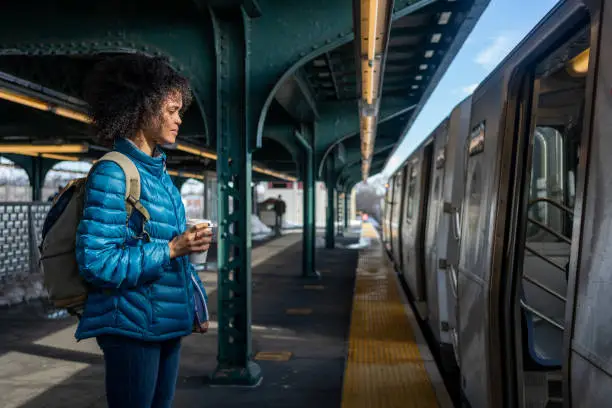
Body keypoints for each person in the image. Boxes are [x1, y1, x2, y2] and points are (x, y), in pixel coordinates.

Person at [75, 54, 212, 408]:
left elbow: (168, 250)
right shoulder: (113, 173)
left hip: (164, 322)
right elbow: (96, 262)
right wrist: (170, 250)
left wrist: (194, 305)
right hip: (132, 328)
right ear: (142, 108)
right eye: (171, 110)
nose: (179, 120)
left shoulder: (160, 176)